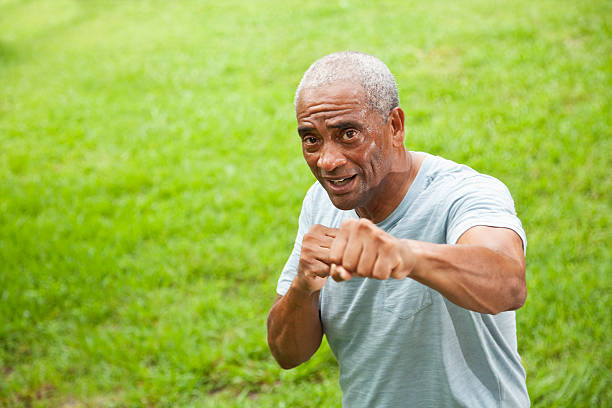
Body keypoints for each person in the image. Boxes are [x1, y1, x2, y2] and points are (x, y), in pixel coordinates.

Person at [267, 51, 530, 407]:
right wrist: (303, 287)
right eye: (311, 139)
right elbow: (287, 353)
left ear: (394, 127)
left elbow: (508, 284)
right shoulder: (320, 202)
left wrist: (403, 254)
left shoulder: (463, 193)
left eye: (348, 134)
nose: (327, 161)